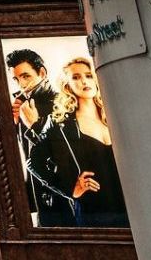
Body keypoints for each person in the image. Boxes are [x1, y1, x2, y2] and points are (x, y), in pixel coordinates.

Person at [25, 57, 129, 229]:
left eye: (89, 75)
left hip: (130, 202)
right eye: (76, 77)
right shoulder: (61, 124)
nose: (84, 81)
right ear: (67, 85)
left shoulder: (114, 115)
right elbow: (34, 162)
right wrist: (69, 189)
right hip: (93, 209)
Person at [7, 48, 72, 227]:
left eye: (25, 76)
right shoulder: (22, 106)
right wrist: (14, 124)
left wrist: (35, 125)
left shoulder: (61, 103)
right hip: (40, 191)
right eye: (16, 79)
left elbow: (63, 152)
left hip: (63, 193)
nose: (21, 84)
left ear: (42, 73)